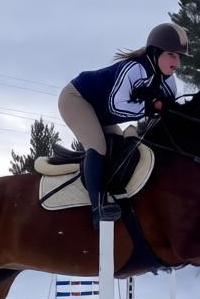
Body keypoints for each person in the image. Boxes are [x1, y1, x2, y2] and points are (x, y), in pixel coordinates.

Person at [58, 22, 189, 228]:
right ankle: (97, 208)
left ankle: (115, 196)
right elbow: (117, 106)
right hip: (77, 98)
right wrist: (151, 107)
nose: (177, 63)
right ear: (156, 53)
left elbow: (164, 118)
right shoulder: (135, 69)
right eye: (172, 55)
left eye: (179, 57)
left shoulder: (169, 83)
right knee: (99, 147)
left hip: (102, 112)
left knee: (119, 150)